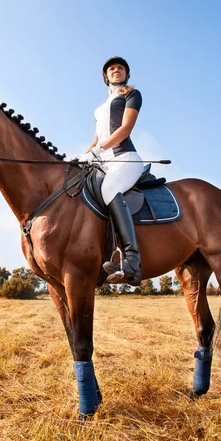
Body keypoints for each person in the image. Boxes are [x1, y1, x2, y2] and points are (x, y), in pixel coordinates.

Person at [75, 56, 144, 285]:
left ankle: (132, 261)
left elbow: (125, 129)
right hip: (102, 160)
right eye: (112, 68)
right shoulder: (99, 109)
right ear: (106, 77)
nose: (116, 70)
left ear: (126, 74)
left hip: (125, 158)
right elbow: (96, 139)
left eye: (120, 68)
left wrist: (98, 151)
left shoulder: (131, 95)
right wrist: (80, 156)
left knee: (110, 187)